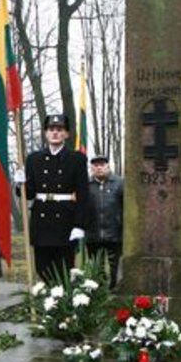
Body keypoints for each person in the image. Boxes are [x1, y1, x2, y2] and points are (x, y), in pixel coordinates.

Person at [15, 113, 88, 284]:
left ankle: (63, 306)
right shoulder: (34, 159)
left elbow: (83, 194)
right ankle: (49, 303)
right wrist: (20, 184)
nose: (55, 132)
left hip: (65, 221)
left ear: (66, 134)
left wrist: (80, 224)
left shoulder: (76, 159)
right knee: (42, 268)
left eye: (59, 129)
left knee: (64, 270)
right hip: (42, 220)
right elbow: (29, 194)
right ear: (45, 133)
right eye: (51, 129)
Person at [84, 154, 124, 289]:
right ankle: (99, 293)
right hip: (93, 234)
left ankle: (115, 290)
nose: (99, 167)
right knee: (96, 268)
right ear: (91, 168)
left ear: (108, 166)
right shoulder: (86, 185)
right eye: (95, 165)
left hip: (115, 233)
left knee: (115, 267)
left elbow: (126, 207)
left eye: (102, 164)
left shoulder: (120, 183)